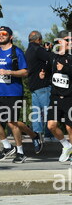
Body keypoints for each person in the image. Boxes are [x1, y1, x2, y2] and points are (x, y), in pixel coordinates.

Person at [0, 26, 32, 163]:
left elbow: (25, 72)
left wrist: (10, 72)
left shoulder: (16, 52)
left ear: (10, 37)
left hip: (13, 93)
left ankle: (20, 152)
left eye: (4, 34)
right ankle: (7, 146)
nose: (1, 36)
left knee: (12, 123)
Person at [46, 30, 72, 163]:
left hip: (69, 98)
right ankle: (66, 146)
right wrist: (43, 74)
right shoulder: (53, 57)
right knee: (51, 125)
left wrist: (65, 69)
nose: (70, 42)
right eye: (67, 40)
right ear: (60, 41)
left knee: (69, 127)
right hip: (55, 97)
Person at [26, 31, 53, 141]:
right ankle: (49, 134)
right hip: (43, 85)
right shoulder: (38, 49)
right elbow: (50, 59)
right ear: (38, 40)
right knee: (48, 111)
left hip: (33, 85)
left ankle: (37, 134)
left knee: (36, 112)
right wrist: (48, 50)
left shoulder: (28, 51)